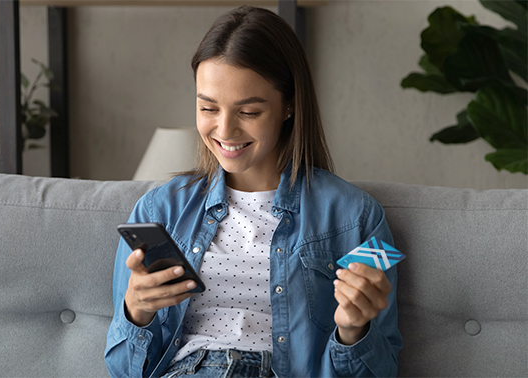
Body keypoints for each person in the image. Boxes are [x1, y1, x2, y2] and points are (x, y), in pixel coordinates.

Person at [105, 5, 402, 378]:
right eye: (208, 107)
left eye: (248, 112)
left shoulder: (358, 218)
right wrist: (137, 311)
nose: (225, 131)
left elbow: (383, 369)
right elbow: (122, 370)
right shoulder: (158, 210)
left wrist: (352, 331)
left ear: (289, 106)